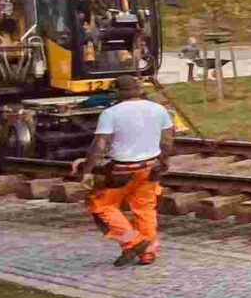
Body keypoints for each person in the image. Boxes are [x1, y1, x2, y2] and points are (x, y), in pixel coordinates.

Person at [72, 74, 175, 266]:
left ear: (118, 91)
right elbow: (168, 140)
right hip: (150, 167)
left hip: (120, 170)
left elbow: (100, 144)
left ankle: (132, 241)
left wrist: (88, 170)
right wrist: (164, 161)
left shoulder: (111, 113)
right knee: (145, 210)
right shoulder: (159, 109)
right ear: (138, 89)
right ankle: (148, 253)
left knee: (100, 204)